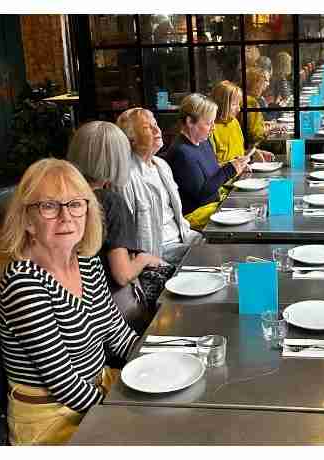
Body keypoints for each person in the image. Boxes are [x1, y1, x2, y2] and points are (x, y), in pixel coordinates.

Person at [0, 158, 136, 445]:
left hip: (98, 384)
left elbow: (117, 334)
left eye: (75, 204)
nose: (66, 217)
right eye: (49, 206)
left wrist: (155, 355)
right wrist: (124, 412)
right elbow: (63, 382)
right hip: (50, 416)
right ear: (27, 220)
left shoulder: (86, 262)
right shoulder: (24, 283)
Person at [66, 121, 165, 331]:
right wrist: (145, 258)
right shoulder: (110, 202)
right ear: (119, 159)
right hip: (111, 314)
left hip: (72, 309)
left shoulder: (63, 198)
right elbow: (122, 274)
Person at [115, 108, 203, 265]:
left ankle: (257, 285)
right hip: (160, 251)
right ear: (131, 139)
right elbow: (125, 237)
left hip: (184, 237)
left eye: (155, 124)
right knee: (219, 260)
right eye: (147, 127)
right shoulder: (125, 178)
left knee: (231, 251)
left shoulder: (161, 165)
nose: (157, 130)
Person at [166, 93, 250, 229]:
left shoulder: (203, 142)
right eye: (208, 123)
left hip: (214, 204)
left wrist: (236, 166)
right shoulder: (181, 152)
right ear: (189, 122)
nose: (213, 127)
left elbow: (212, 174)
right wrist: (230, 170)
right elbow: (201, 194)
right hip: (196, 215)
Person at [209, 80, 274, 163]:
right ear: (221, 104)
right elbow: (212, 167)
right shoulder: (211, 128)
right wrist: (236, 165)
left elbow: (239, 153)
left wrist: (254, 154)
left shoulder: (234, 122)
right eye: (234, 104)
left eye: (239, 104)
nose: (239, 109)